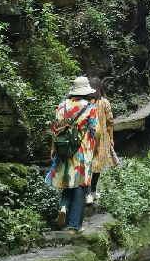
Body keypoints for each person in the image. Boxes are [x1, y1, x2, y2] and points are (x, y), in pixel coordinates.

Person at [46, 75, 98, 232]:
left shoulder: (61, 106)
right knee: (81, 186)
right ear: (86, 92)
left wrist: (53, 148)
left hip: (64, 149)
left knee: (67, 180)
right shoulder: (90, 108)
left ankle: (63, 206)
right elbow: (94, 131)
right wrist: (94, 149)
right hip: (82, 151)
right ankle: (74, 226)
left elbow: (55, 129)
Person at [87, 76, 119, 206]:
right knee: (98, 164)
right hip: (102, 138)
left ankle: (89, 193)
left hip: (88, 138)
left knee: (89, 164)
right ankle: (92, 191)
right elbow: (110, 122)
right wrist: (111, 138)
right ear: (101, 88)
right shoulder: (104, 102)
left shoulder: (86, 102)